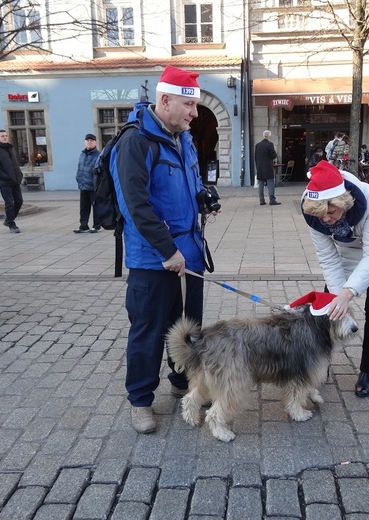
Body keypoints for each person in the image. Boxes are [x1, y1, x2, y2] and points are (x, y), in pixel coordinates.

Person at [109, 64, 219, 434]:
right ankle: (141, 401)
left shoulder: (183, 137)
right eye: (189, 105)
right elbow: (135, 205)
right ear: (165, 100)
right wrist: (167, 250)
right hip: (155, 261)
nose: (194, 113)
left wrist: (204, 197)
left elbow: (191, 181)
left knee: (187, 328)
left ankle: (181, 380)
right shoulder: (135, 141)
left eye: (196, 106)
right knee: (149, 331)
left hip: (189, 255)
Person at [301, 160, 369, 397]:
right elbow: (328, 259)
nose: (326, 219)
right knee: (329, 304)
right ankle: (321, 364)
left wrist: (348, 293)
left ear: (343, 203)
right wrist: (339, 297)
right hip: (349, 246)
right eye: (321, 215)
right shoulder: (313, 209)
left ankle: (367, 371)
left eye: (331, 212)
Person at [0, 130, 23, 233]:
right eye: (2, 136)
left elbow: (15, 164)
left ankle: (8, 220)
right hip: (4, 182)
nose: (5, 138)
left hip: (15, 180)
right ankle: (12, 224)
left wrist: (19, 174)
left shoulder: (10, 148)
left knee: (19, 201)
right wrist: (5, 176)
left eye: (6, 136)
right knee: (9, 203)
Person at [74, 133, 102, 233]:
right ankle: (83, 225)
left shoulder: (99, 155)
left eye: (92, 140)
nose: (89, 142)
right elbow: (79, 167)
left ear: (95, 142)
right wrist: (78, 178)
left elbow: (101, 170)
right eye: (88, 140)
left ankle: (96, 225)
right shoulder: (82, 154)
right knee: (83, 207)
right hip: (83, 185)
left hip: (93, 186)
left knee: (96, 206)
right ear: (85, 142)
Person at [255, 130, 280, 206]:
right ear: (269, 136)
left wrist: (258, 166)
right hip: (268, 167)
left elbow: (255, 157)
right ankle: (272, 200)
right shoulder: (270, 144)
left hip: (260, 167)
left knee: (261, 184)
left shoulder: (257, 145)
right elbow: (273, 156)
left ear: (263, 136)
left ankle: (261, 200)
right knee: (270, 183)